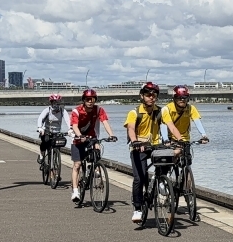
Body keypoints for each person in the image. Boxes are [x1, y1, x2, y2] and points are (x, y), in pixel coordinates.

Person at [124, 82, 169, 224]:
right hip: (139, 147)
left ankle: (161, 181)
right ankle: (137, 208)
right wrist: (135, 142)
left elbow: (169, 126)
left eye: (154, 95)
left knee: (168, 156)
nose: (151, 97)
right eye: (148, 95)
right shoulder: (134, 113)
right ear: (142, 96)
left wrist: (176, 141)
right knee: (140, 178)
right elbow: (131, 129)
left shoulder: (160, 111)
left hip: (154, 145)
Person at [69, 89, 116, 205]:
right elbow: (74, 126)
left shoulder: (99, 109)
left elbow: (105, 122)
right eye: (88, 99)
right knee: (77, 164)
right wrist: (80, 136)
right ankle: (75, 191)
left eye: (93, 99)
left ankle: (95, 168)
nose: (90, 101)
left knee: (97, 150)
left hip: (92, 138)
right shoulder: (76, 111)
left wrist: (111, 135)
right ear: (84, 100)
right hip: (78, 139)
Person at [36, 94, 69, 163]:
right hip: (47, 131)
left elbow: (68, 120)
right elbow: (40, 118)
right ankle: (42, 155)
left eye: (57, 102)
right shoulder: (47, 110)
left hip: (57, 132)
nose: (56, 104)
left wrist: (71, 128)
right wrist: (40, 127)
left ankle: (55, 160)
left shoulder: (62, 110)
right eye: (54, 102)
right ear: (51, 103)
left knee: (59, 143)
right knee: (45, 141)